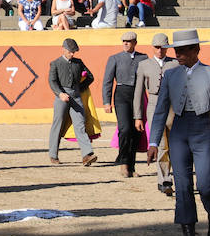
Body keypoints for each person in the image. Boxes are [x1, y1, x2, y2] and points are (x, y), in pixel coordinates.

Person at [148, 29, 210, 236]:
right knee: (182, 185)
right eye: (177, 50)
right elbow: (160, 111)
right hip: (178, 131)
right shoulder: (170, 75)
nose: (179, 54)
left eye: (184, 50)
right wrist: (154, 142)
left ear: (197, 50)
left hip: (202, 130)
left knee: (205, 185)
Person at [134, 33, 179, 196]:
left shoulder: (175, 64)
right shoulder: (144, 65)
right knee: (160, 144)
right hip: (153, 105)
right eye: (157, 47)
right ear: (152, 47)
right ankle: (164, 180)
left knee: (174, 144)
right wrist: (138, 116)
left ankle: (176, 177)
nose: (159, 50)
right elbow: (138, 92)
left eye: (163, 47)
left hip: (173, 107)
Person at [103, 31, 148, 177]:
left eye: (128, 41)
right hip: (121, 94)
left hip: (138, 94)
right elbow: (107, 81)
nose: (125, 43)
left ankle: (132, 166)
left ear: (135, 42)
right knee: (125, 129)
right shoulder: (114, 58)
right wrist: (106, 101)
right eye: (124, 41)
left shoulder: (143, 58)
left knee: (136, 131)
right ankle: (123, 163)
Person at [47, 38, 98, 166]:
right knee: (57, 125)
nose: (72, 54)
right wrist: (60, 93)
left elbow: (90, 77)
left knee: (80, 124)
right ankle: (53, 155)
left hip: (76, 97)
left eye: (73, 52)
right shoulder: (55, 63)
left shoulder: (78, 62)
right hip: (61, 97)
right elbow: (52, 82)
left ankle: (87, 154)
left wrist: (79, 88)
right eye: (70, 51)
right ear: (63, 49)